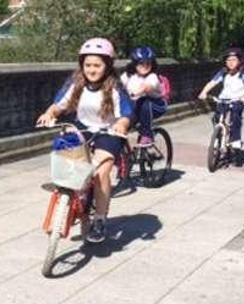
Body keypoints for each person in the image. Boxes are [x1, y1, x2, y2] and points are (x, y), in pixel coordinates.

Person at [36, 37, 133, 244]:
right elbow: (59, 105)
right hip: (82, 128)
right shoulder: (75, 83)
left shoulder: (115, 87)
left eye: (97, 65)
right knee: (64, 158)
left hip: (109, 132)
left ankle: (99, 219)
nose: (92, 69)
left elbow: (125, 114)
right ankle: (67, 197)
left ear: (107, 65)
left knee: (100, 172)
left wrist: (121, 125)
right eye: (88, 65)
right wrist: (49, 113)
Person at [198, 48, 244, 149]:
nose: (231, 63)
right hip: (223, 99)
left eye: (233, 60)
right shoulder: (223, 72)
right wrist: (203, 92)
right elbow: (212, 82)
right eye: (228, 60)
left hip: (238, 99)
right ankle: (218, 138)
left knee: (235, 116)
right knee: (217, 117)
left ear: (239, 61)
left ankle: (235, 139)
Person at [121, 45, 167, 145]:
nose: (145, 66)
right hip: (136, 105)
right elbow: (117, 85)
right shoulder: (128, 76)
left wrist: (136, 93)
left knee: (144, 102)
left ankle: (147, 135)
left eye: (148, 64)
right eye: (141, 63)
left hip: (157, 105)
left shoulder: (152, 76)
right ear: (134, 64)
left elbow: (147, 87)